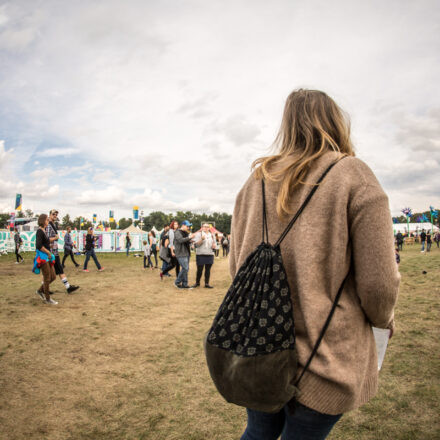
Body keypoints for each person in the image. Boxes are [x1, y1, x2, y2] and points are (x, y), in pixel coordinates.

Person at [229, 89, 399, 440]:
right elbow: (379, 284)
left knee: (257, 434)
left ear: (287, 125)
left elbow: (237, 270)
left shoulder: (255, 182)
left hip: (261, 349)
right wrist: (384, 320)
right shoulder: (353, 175)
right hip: (326, 357)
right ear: (336, 121)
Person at [46, 209, 79, 294]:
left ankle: (68, 287)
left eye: (56, 214)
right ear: (49, 215)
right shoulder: (49, 226)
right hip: (50, 253)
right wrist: (55, 238)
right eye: (53, 214)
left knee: (60, 270)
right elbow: (46, 239)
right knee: (48, 273)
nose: (55, 216)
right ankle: (43, 289)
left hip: (55, 252)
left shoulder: (53, 225)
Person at [34, 214, 57, 305]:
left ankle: (40, 290)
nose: (48, 221)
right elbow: (39, 246)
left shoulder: (44, 230)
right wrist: (48, 252)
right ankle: (47, 299)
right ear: (43, 221)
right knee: (47, 278)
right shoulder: (39, 231)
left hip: (48, 257)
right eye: (47, 220)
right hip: (43, 258)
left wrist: (50, 246)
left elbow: (45, 243)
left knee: (53, 276)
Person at [191, 223, 216, 288]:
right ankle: (197, 283)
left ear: (209, 228)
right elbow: (196, 245)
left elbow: (214, 243)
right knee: (200, 270)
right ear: (202, 227)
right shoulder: (198, 234)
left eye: (207, 227)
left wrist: (214, 246)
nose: (206, 228)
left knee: (208, 270)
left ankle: (207, 283)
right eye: (204, 227)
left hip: (210, 254)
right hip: (200, 254)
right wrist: (202, 239)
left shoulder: (212, 235)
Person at [173, 220, 196, 289]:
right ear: (183, 225)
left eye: (189, 226)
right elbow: (180, 240)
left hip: (186, 253)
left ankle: (185, 284)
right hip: (180, 253)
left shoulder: (185, 232)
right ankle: (177, 282)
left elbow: (186, 241)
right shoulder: (177, 232)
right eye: (187, 226)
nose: (188, 227)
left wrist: (190, 241)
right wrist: (189, 237)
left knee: (186, 269)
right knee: (185, 268)